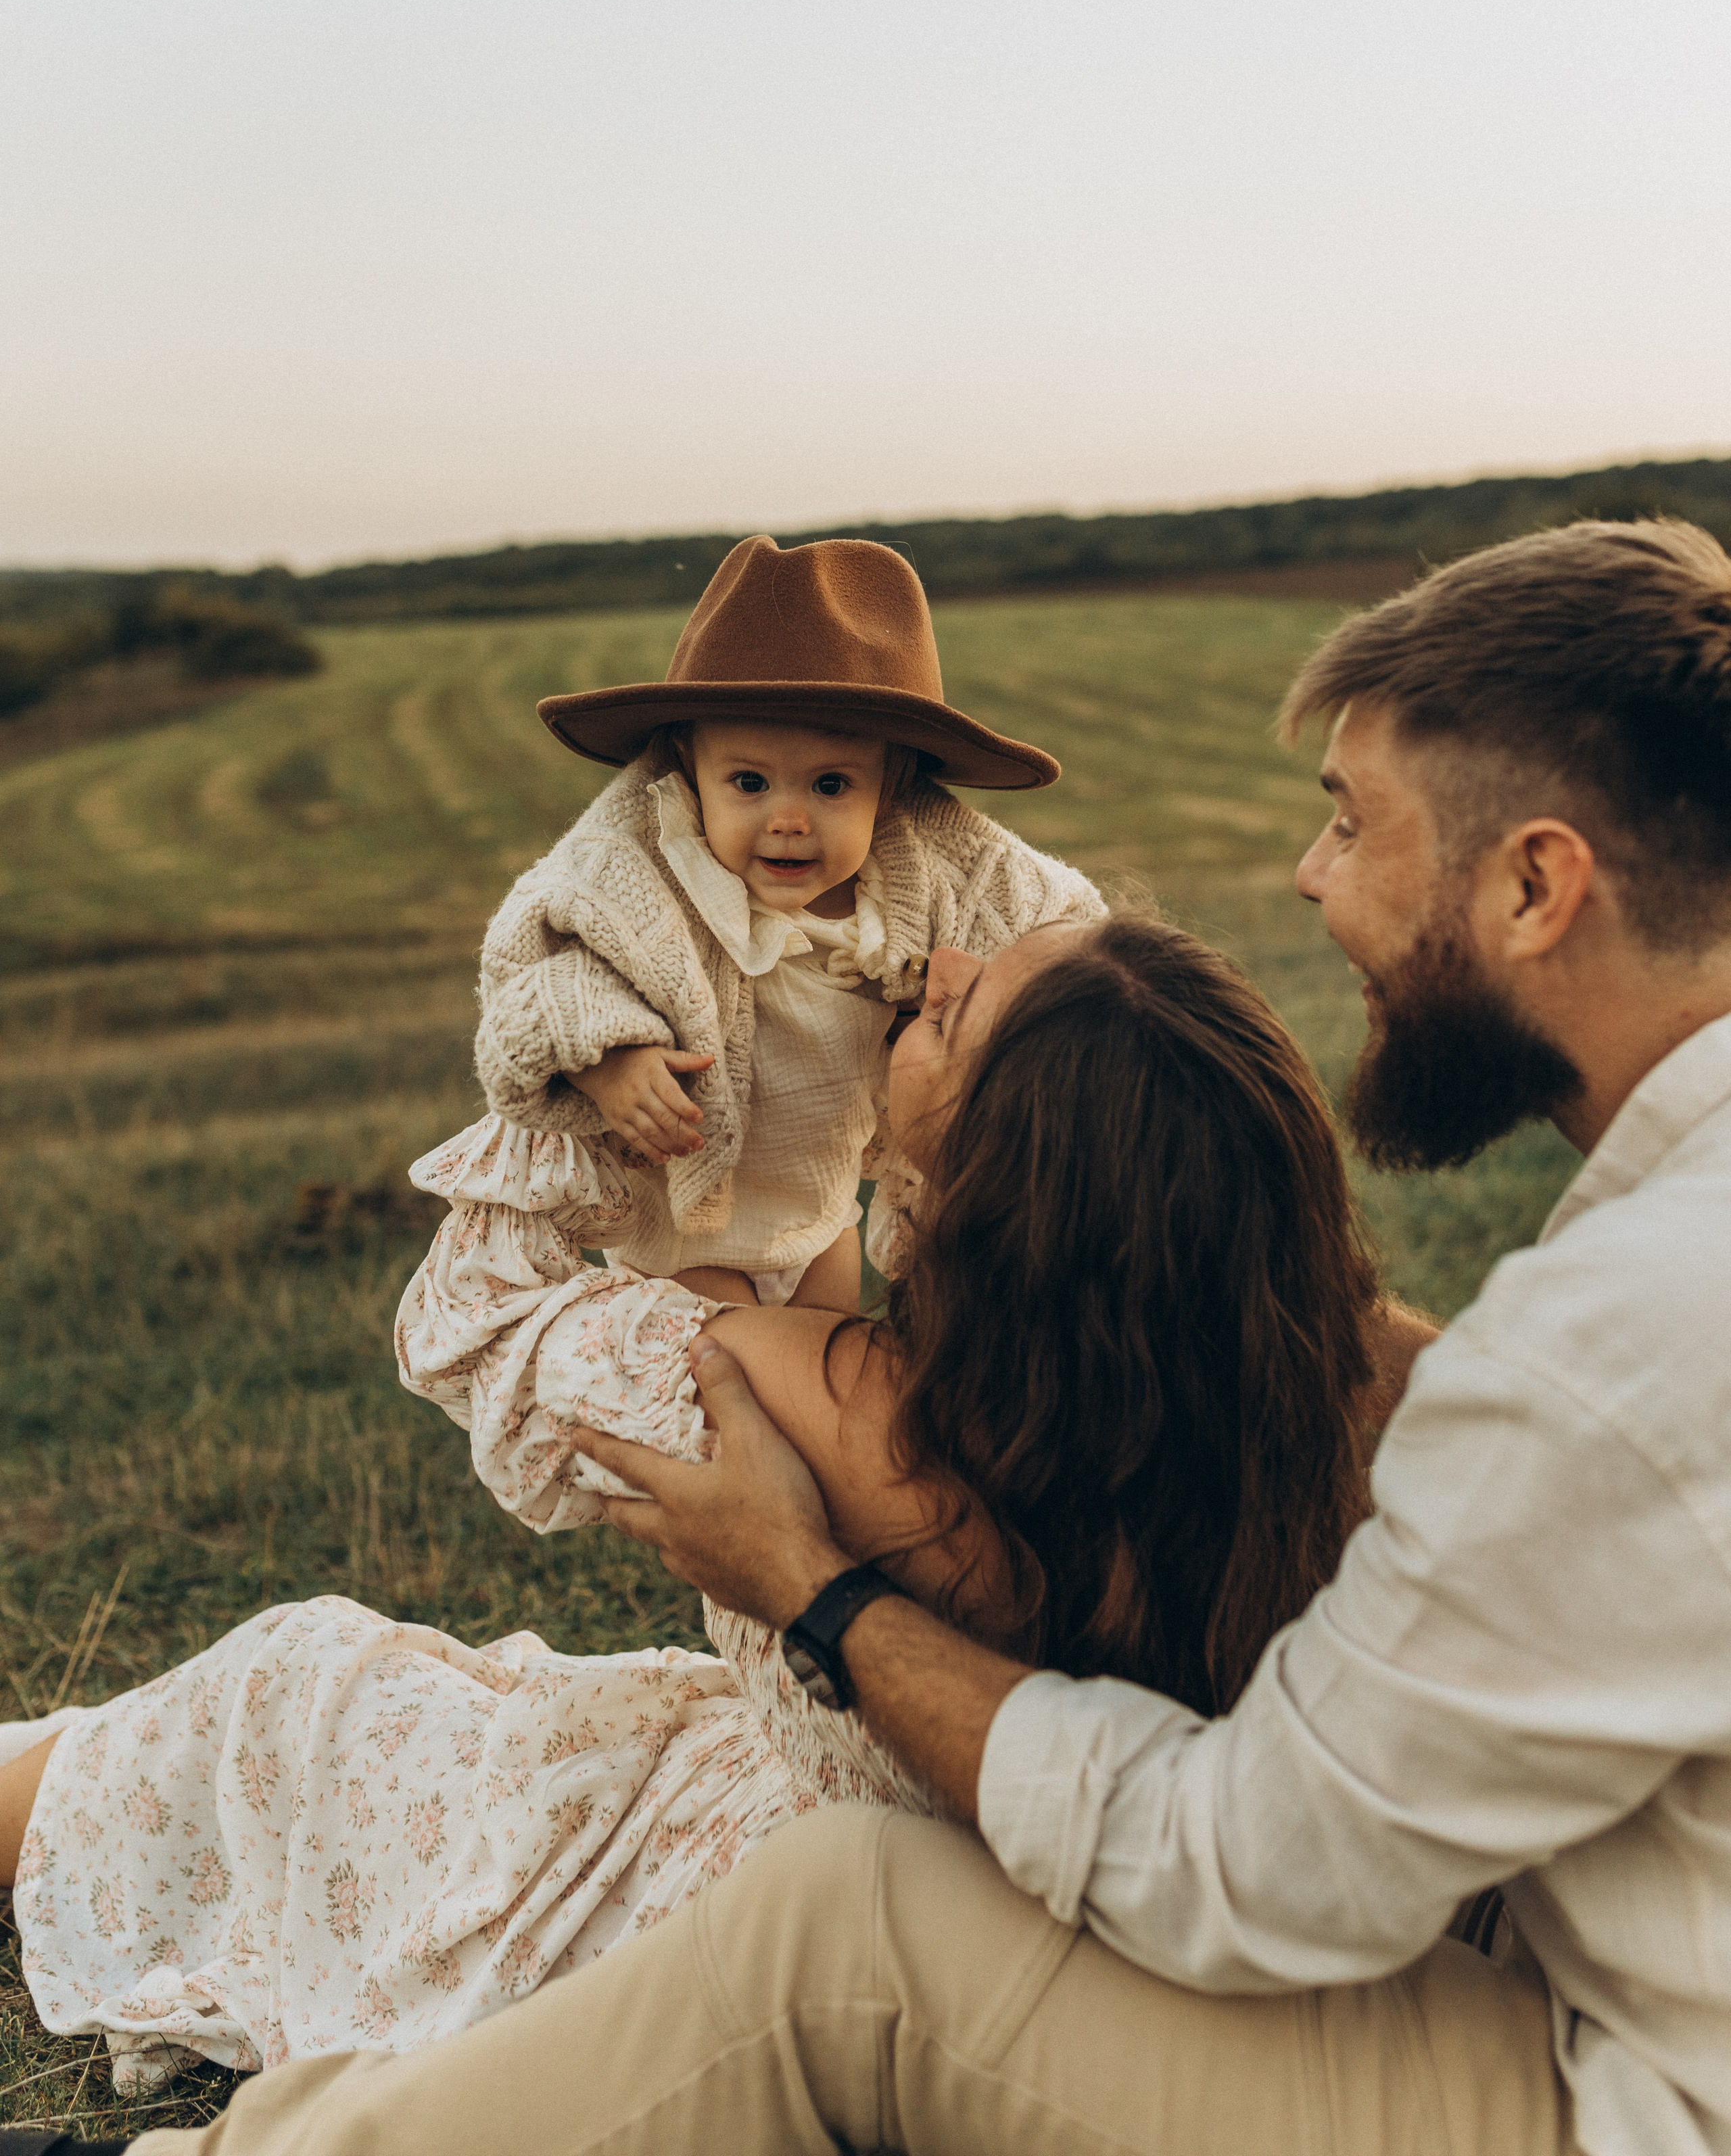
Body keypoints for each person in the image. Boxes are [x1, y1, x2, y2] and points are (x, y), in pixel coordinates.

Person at [91, 513, 1731, 2156]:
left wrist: (816, 1592)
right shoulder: (1632, 1278)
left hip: (1618, 2100)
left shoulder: (1605, 1347)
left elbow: (1250, 1871)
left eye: (1349, 819)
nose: (1307, 874)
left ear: (1533, 881)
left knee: (850, 1925)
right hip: (1585, 1977)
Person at [0, 914, 1417, 2103]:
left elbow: (473, 1321)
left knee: (295, 1694)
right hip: (1000, 1914)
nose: (930, 974)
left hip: (762, 1931)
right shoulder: (1330, 1411)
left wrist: (644, 1087)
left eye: (956, 1012)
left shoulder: (791, 1400)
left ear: (1009, 1166)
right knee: (470, 1705)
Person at [471, 528, 1104, 1311]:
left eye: (832, 786)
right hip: (687, 1234)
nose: (790, 819)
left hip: (819, 1218)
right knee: (720, 1401)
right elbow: (548, 983)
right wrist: (609, 1065)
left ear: (892, 788)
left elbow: (1053, 931)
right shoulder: (659, 891)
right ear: (688, 772)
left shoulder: (914, 903)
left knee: (825, 1382)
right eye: (749, 782)